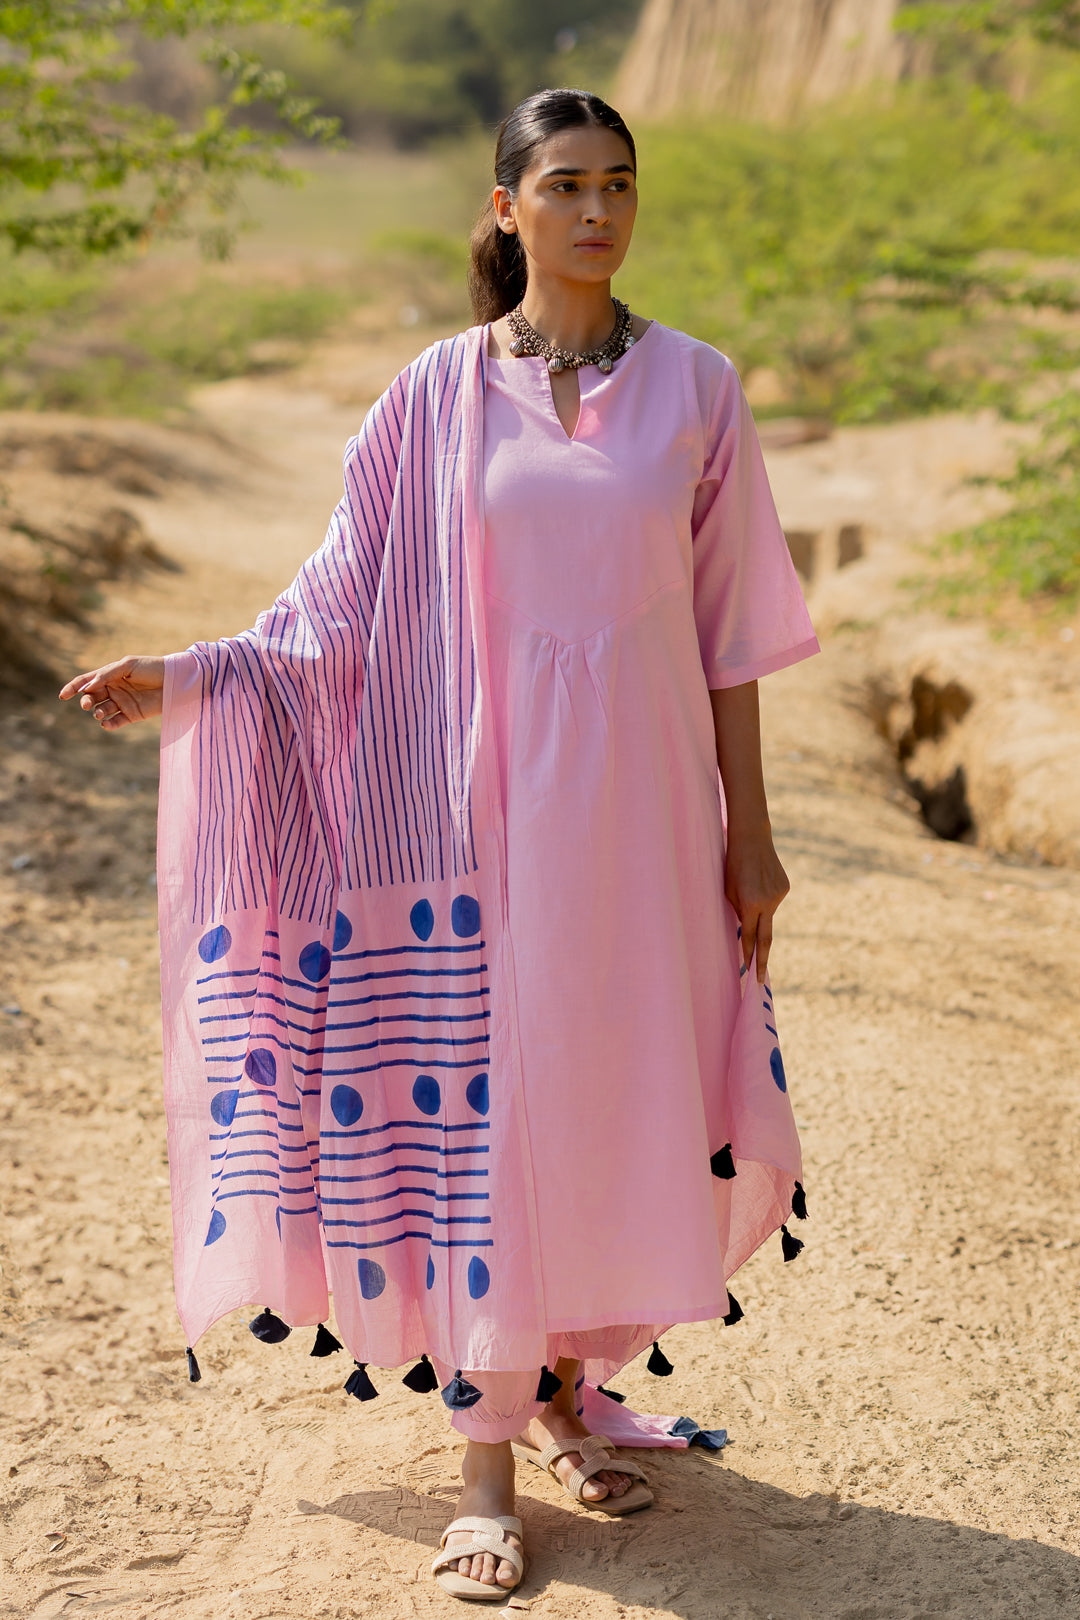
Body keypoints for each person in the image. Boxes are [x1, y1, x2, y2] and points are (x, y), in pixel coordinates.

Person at [61, 88, 817, 1604]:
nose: (598, 211)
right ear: (505, 208)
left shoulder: (698, 388)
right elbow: (334, 603)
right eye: (565, 186)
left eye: (619, 185)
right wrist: (198, 675)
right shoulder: (437, 393)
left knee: (610, 1094)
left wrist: (752, 835)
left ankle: (564, 1386)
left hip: (652, 817)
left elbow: (732, 638)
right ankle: (487, 1455)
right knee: (499, 1108)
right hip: (483, 821)